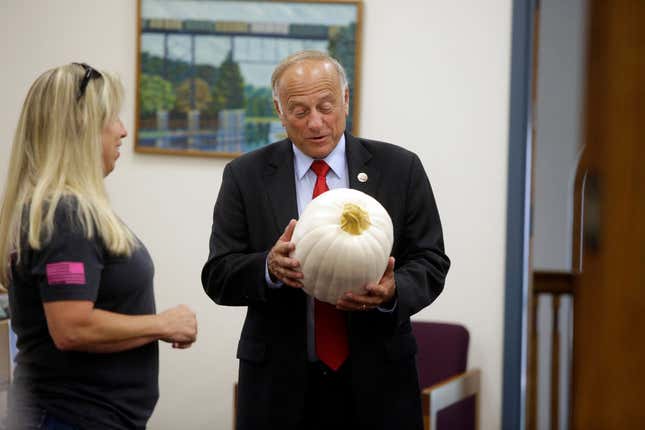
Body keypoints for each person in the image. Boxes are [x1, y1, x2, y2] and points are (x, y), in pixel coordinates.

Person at [201, 50, 450, 430]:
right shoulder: (245, 176)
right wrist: (267, 268)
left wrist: (392, 291)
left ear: (346, 100)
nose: (316, 123)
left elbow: (431, 261)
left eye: (326, 106)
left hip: (379, 382)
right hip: (279, 387)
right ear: (278, 110)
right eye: (299, 111)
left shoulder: (400, 169)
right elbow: (218, 274)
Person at [0, 63, 198, 429]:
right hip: (68, 417)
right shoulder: (64, 213)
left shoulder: (63, 209)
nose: (122, 130)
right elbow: (72, 327)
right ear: (79, 129)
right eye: (111, 118)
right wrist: (162, 324)